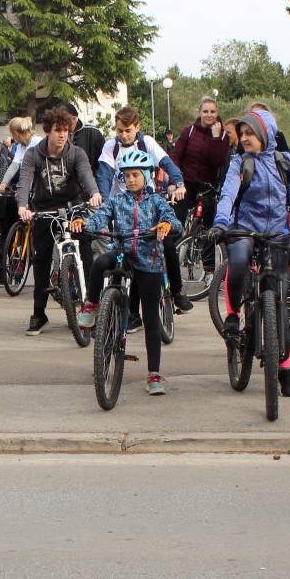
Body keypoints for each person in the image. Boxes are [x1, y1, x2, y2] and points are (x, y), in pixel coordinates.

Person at [213, 109, 290, 398]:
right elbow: (228, 193)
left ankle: (285, 369)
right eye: (242, 134)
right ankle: (232, 315)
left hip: (278, 233)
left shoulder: (285, 161)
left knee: (278, 301)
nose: (245, 138)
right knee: (238, 261)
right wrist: (220, 222)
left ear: (266, 133)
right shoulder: (239, 162)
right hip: (245, 227)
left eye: (250, 133)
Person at [72, 149, 179, 396]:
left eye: (135, 175)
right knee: (100, 263)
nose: (130, 180)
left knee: (151, 318)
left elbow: (175, 222)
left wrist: (166, 225)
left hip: (148, 262)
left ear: (147, 175)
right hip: (122, 254)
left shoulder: (156, 201)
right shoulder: (117, 201)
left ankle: (154, 374)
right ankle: (92, 305)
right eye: (126, 175)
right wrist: (84, 224)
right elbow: (100, 217)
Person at [14, 104, 102, 334]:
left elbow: (85, 174)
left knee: (85, 252)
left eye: (65, 130)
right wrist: (23, 205)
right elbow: (24, 180)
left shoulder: (76, 153)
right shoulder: (34, 154)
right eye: (57, 130)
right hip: (44, 210)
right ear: (47, 131)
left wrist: (94, 193)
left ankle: (90, 308)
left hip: (73, 207)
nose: (62, 135)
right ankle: (39, 313)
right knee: (41, 259)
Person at [95, 106, 190, 312]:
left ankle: (177, 291)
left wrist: (179, 183)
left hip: (148, 206)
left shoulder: (146, 142)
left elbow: (167, 163)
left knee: (168, 246)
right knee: (124, 255)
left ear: (137, 127)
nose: (123, 135)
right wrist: (102, 199)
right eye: (119, 130)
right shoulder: (111, 147)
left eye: (128, 130)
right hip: (123, 207)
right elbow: (104, 174)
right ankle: (128, 310)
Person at [171, 96, 232, 234]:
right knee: (175, 222)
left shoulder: (223, 136)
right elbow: (175, 156)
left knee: (208, 228)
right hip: (186, 183)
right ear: (200, 112)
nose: (209, 115)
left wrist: (215, 138)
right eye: (205, 111)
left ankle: (207, 254)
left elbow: (217, 162)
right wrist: (174, 181)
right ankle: (174, 251)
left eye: (212, 111)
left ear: (217, 113)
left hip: (207, 186)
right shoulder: (189, 131)